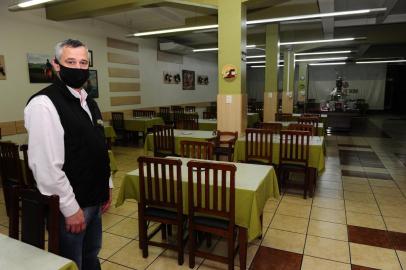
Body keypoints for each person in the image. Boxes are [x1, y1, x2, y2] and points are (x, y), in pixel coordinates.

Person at [24, 39, 112, 270]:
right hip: (71, 206)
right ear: (56, 65)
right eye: (71, 61)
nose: (79, 67)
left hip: (95, 199)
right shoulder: (44, 104)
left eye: (84, 62)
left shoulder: (89, 102)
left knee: (91, 255)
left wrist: (107, 186)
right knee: (72, 262)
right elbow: (45, 166)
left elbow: (98, 148)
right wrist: (70, 209)